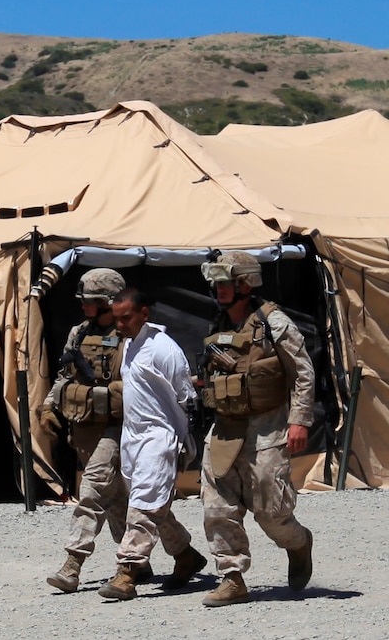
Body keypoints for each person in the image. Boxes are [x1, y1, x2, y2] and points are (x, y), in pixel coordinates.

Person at [198, 251, 315, 607]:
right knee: (217, 507)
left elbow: (303, 372)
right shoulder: (217, 324)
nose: (219, 289)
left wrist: (299, 420)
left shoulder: (273, 323)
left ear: (245, 284)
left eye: (225, 283)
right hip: (224, 430)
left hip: (268, 429)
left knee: (271, 511)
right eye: (216, 283)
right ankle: (232, 577)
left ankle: (298, 544)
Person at [43, 268, 155, 592]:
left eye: (90, 301)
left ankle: (72, 564)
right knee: (117, 497)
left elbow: (142, 384)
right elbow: (65, 377)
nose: (83, 306)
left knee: (92, 491)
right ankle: (138, 562)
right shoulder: (79, 333)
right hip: (85, 428)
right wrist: (50, 406)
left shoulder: (131, 336)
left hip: (119, 427)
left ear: (107, 302)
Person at [98, 287, 206, 601]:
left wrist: (183, 441)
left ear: (144, 314)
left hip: (160, 437)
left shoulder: (164, 349)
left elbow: (186, 397)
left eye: (126, 318)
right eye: (116, 319)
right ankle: (186, 555)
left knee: (145, 503)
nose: (120, 325)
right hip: (133, 437)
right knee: (150, 503)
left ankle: (127, 571)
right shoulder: (130, 346)